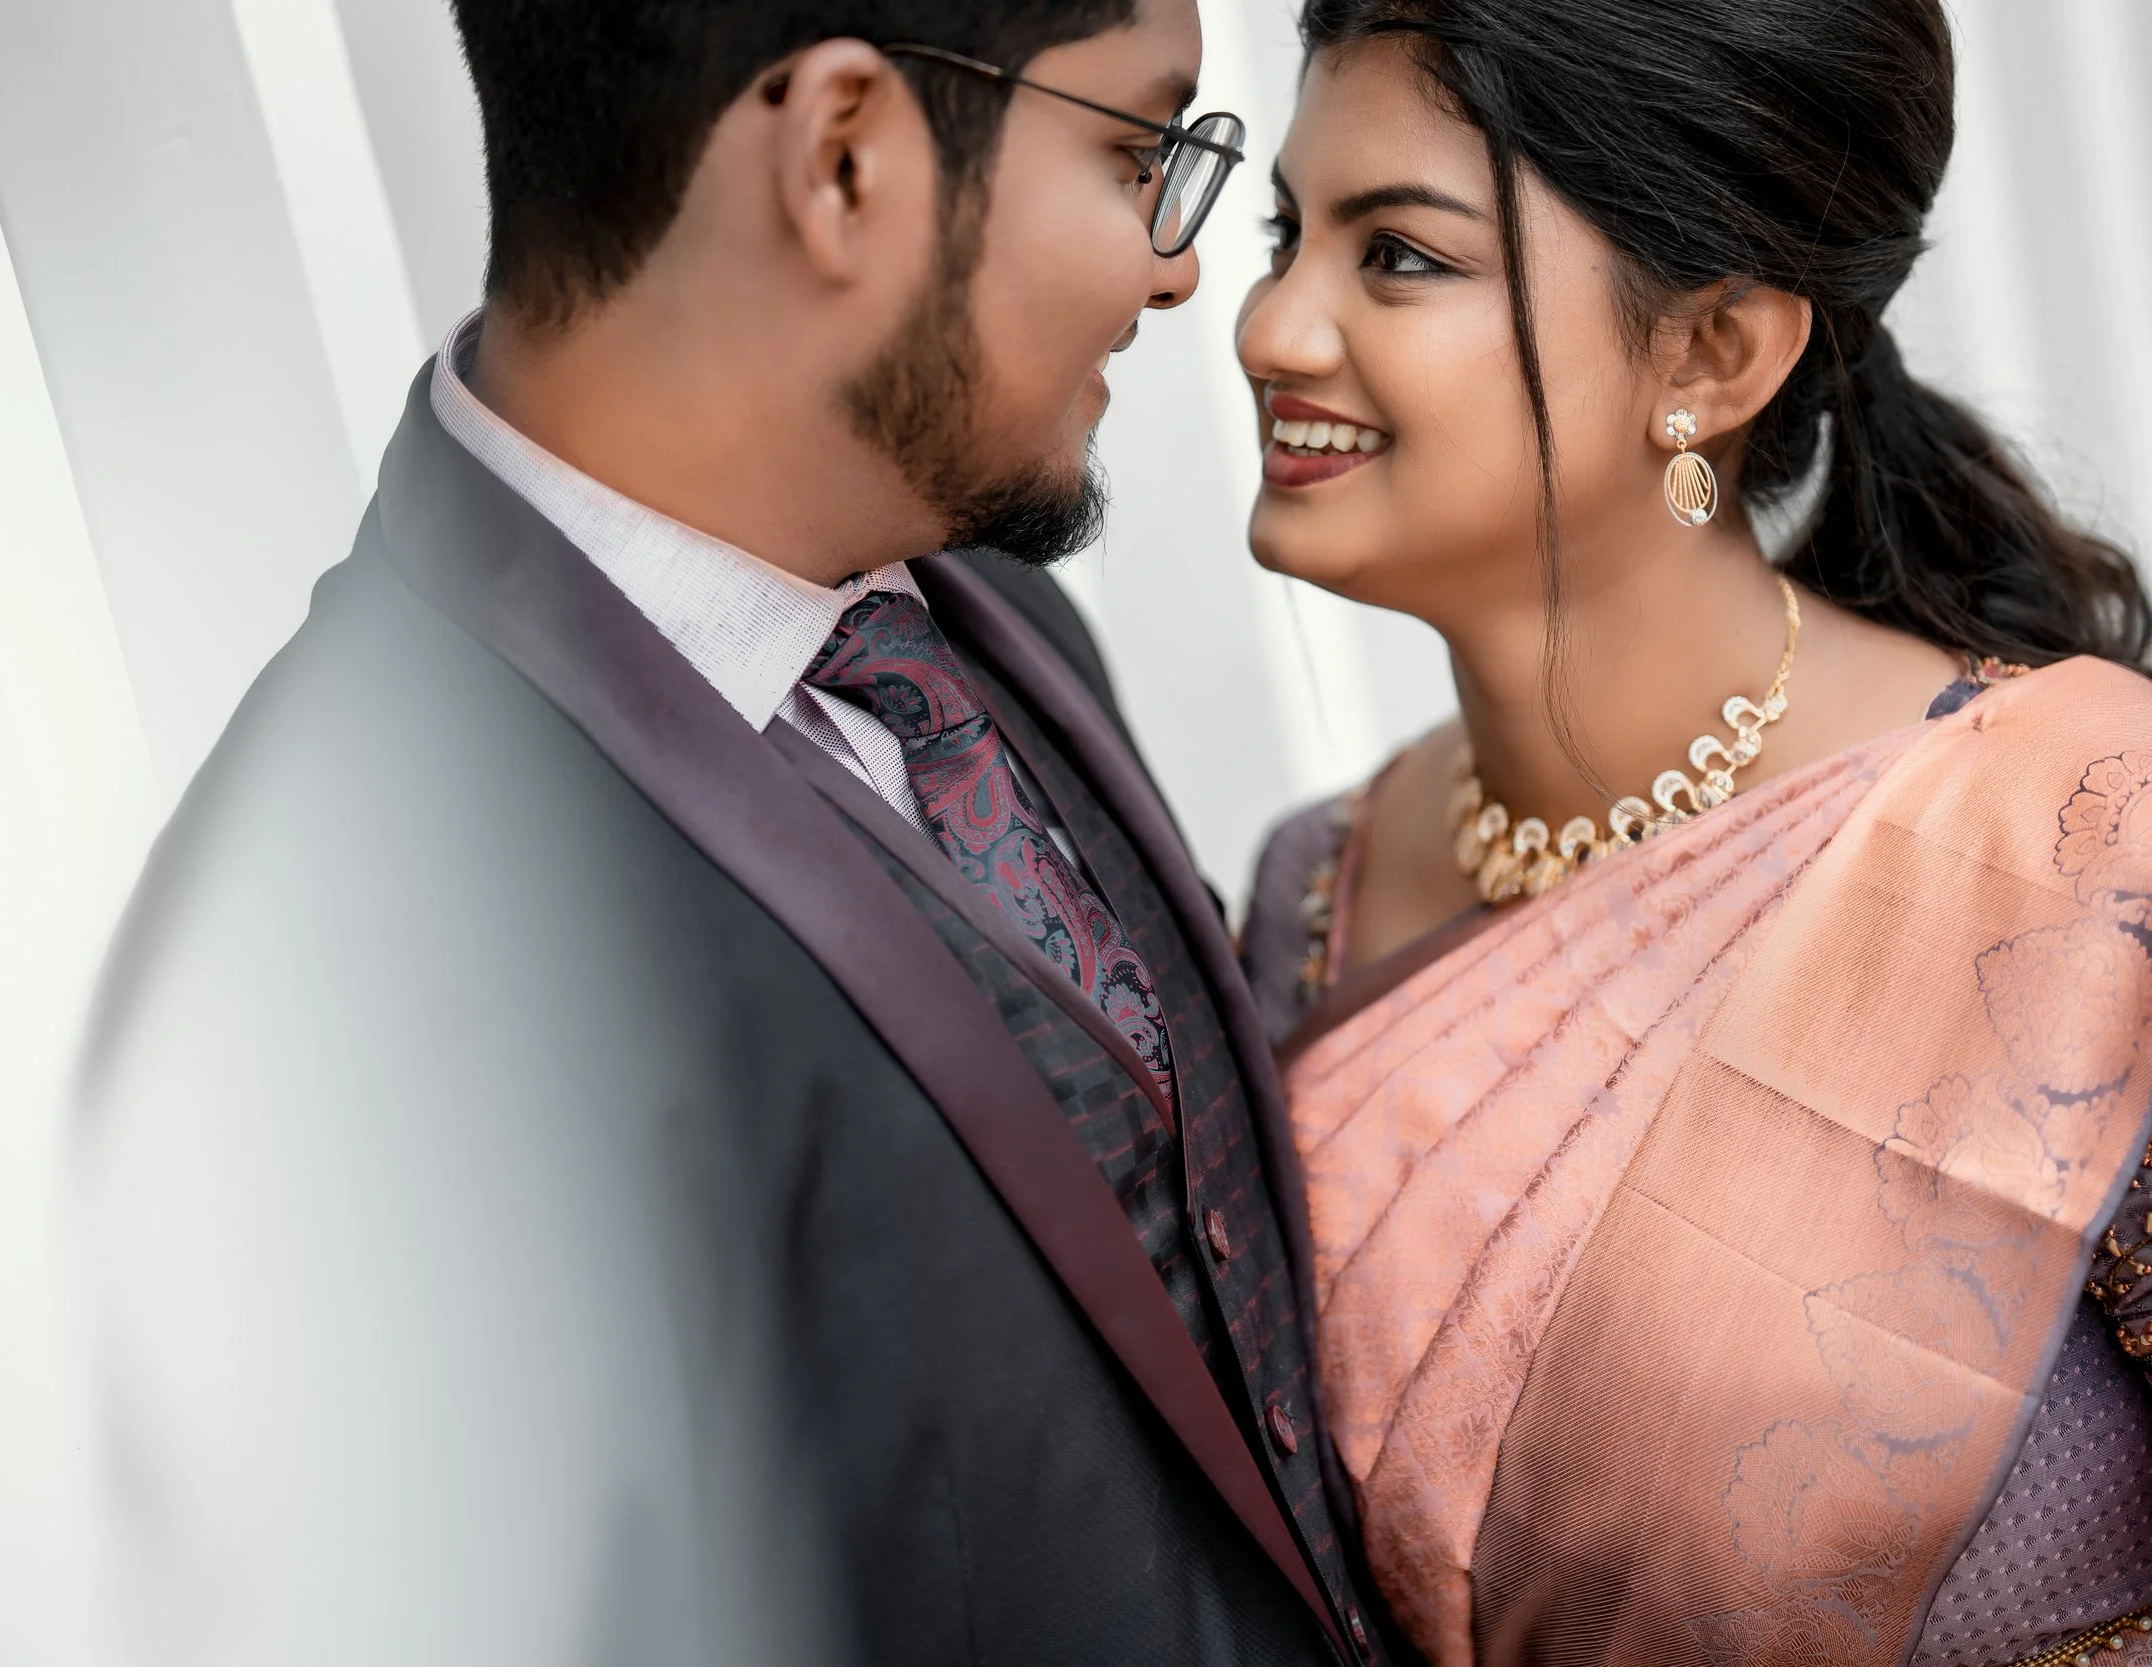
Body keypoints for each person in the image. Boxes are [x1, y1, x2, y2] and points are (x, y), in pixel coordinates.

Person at [76, 2, 1384, 1662]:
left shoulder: (969, 599)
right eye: (1135, 151)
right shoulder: (343, 971)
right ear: (843, 158)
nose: (1178, 268)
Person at [1233, 3, 2152, 1665]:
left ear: (1712, 354)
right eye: (1285, 233)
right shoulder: (1316, 885)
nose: (1271, 326)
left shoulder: (2099, 855)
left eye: (1401, 259)